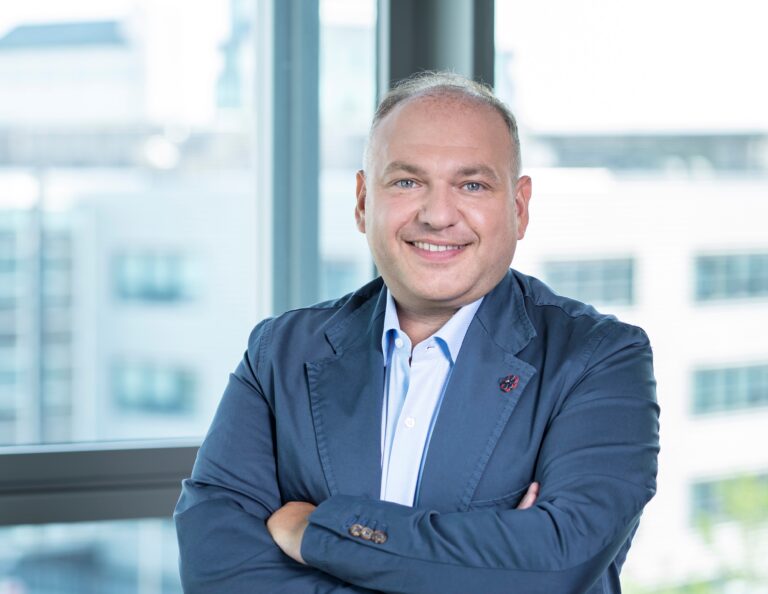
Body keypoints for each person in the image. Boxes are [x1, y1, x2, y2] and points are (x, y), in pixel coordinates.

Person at [174, 72, 660, 594]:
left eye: (472, 185)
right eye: (407, 182)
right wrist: (484, 566)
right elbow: (217, 569)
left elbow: (554, 566)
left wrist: (316, 530)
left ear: (518, 208)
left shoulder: (600, 359)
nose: (437, 215)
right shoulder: (279, 353)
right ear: (363, 201)